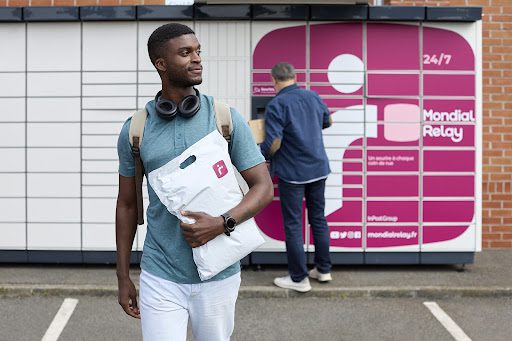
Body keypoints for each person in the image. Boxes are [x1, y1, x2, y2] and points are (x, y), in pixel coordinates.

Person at [115, 23, 273, 340]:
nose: (197, 58)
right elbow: (128, 205)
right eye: (186, 53)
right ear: (161, 63)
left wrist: (222, 222)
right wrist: (122, 275)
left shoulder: (224, 118)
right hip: (160, 274)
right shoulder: (136, 130)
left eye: (198, 51)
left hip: (220, 273)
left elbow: (263, 187)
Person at [261, 62, 333, 293]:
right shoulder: (313, 96)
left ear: (274, 80)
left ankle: (299, 278)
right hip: (319, 169)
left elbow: (273, 142)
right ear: (294, 76)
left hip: (293, 173)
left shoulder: (277, 104)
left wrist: (260, 156)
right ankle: (323, 270)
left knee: (293, 224)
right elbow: (328, 121)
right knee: (318, 218)